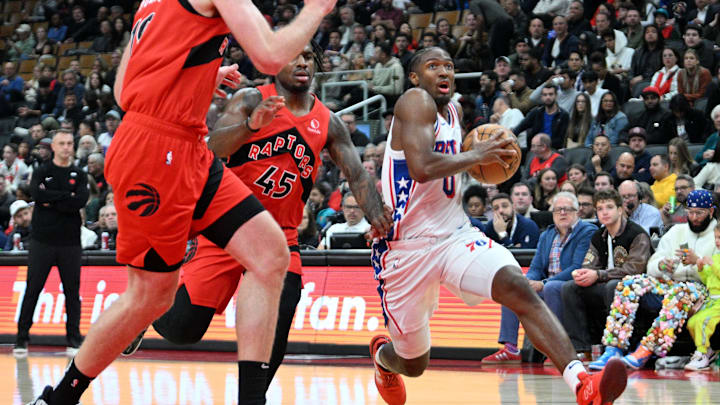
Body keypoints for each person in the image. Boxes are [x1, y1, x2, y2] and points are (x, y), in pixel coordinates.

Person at [27, 0, 340, 403]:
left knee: (270, 255)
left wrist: (201, 77)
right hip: (156, 153)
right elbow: (269, 55)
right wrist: (316, 8)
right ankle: (59, 398)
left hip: (188, 146)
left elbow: (125, 90)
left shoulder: (149, 4)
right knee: (151, 295)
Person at [125, 45, 390, 401]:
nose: (302, 62)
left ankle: (253, 398)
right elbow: (212, 147)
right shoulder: (251, 97)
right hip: (226, 227)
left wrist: (378, 217)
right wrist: (251, 126)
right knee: (183, 330)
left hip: (281, 236)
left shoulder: (329, 121)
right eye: (293, 54)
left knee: (278, 322)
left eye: (308, 57)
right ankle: (148, 312)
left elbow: (357, 174)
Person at [369, 47, 627, 405]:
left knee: (519, 289)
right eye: (432, 67)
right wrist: (478, 157)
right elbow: (422, 167)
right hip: (405, 249)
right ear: (414, 78)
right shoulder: (414, 101)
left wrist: (479, 161)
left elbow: (445, 168)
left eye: (449, 65)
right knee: (412, 364)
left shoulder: (454, 110)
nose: (444, 72)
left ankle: (584, 385)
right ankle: (383, 359)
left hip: (454, 235)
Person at [589, 190, 713, 371]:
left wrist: (697, 263)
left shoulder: (716, 235)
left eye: (699, 213)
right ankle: (614, 347)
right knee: (629, 284)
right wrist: (662, 266)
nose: (693, 217)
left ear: (710, 212)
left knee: (680, 294)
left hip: (701, 287)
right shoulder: (676, 231)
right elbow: (653, 263)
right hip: (670, 281)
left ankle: (646, 350)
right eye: (690, 212)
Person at [482, 192, 596, 360]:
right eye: (558, 210)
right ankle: (511, 349)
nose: (562, 213)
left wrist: (543, 283)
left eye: (567, 209)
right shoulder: (547, 234)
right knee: (512, 288)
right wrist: (527, 281)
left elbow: (576, 267)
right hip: (547, 286)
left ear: (577, 212)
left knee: (551, 287)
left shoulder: (587, 231)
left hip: (572, 285)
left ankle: (558, 349)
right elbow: (536, 267)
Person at [14, 130, 89, 358]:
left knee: (72, 292)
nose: (67, 147)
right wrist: (66, 197)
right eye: (62, 143)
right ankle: (21, 339)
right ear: (53, 147)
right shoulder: (41, 171)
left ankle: (73, 339)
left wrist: (52, 199)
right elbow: (37, 193)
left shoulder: (79, 173)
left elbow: (81, 200)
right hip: (42, 241)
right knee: (33, 289)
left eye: (70, 143)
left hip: (70, 242)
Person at [561, 189, 651, 360]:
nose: (604, 212)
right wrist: (582, 273)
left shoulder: (637, 234)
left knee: (614, 286)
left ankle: (618, 346)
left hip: (636, 287)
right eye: (600, 209)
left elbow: (634, 269)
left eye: (609, 207)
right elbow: (589, 263)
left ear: (620, 209)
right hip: (606, 283)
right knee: (569, 288)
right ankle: (582, 348)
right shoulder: (598, 235)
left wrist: (598, 275)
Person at [685, 222, 720, 370]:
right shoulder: (716, 256)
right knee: (692, 322)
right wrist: (701, 268)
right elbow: (709, 280)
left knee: (703, 321)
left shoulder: (714, 259)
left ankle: (701, 352)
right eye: (716, 238)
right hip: (711, 300)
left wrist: (712, 264)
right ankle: (708, 352)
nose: (717, 241)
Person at [513, 85, 570, 150]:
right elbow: (520, 127)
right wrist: (511, 137)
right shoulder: (536, 112)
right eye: (545, 95)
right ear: (541, 97)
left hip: (553, 150)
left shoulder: (563, 115)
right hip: (535, 149)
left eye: (551, 94)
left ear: (556, 95)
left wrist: (543, 145)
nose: (548, 97)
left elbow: (561, 139)